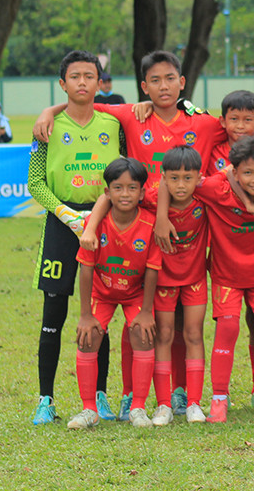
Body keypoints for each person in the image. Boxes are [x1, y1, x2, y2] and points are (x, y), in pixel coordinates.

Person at [38, 50, 225, 419]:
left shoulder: (203, 123)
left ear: (182, 82)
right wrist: (49, 111)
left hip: (187, 234)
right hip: (140, 231)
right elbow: (83, 100)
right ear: (143, 87)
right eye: (154, 81)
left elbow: (242, 125)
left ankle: (182, 394)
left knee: (180, 323)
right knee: (141, 315)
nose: (163, 86)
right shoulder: (130, 114)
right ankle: (129, 396)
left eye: (170, 79)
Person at [27, 50, 122, 425]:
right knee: (54, 314)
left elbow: (124, 175)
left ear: (100, 83)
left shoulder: (114, 124)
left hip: (105, 224)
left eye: (89, 76)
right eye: (75, 76)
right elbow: (35, 182)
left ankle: (100, 396)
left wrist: (95, 217)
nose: (82, 82)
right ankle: (45, 400)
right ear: (62, 83)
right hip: (61, 226)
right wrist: (68, 215)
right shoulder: (45, 128)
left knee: (101, 312)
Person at [192, 135, 254, 422]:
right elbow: (179, 182)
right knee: (228, 328)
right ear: (235, 173)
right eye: (247, 173)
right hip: (226, 276)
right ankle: (219, 400)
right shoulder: (215, 187)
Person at [68, 157, 160, 429]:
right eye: (117, 188)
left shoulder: (150, 224)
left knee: (143, 334)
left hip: (135, 294)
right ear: (107, 193)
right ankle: (89, 410)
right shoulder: (96, 225)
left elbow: (153, 270)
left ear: (142, 192)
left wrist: (145, 312)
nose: (125, 194)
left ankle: (138, 408)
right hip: (102, 293)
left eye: (132, 188)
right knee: (89, 336)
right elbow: (85, 269)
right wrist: (85, 314)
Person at [146, 146, 209, 425]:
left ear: (199, 178)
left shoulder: (205, 197)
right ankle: (163, 405)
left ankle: (194, 403)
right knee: (165, 336)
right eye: (173, 178)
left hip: (195, 279)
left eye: (187, 178)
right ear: (163, 179)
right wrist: (161, 215)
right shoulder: (151, 198)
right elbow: (109, 197)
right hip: (163, 281)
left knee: (194, 334)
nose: (180, 185)